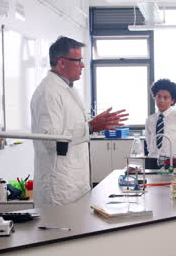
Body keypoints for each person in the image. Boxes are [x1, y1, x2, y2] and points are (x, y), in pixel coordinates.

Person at [31, 36, 128, 208]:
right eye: (78, 61)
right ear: (62, 63)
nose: (83, 65)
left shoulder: (68, 89)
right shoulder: (49, 92)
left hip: (74, 181)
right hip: (59, 185)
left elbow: (69, 128)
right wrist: (90, 127)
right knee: (61, 233)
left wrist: (94, 124)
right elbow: (49, 139)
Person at [144, 79, 176, 168]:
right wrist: (155, 154)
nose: (161, 100)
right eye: (159, 96)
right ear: (154, 97)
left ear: (172, 100)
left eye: (165, 97)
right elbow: (149, 141)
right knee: (152, 181)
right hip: (153, 160)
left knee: (173, 182)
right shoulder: (150, 120)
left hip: (173, 160)